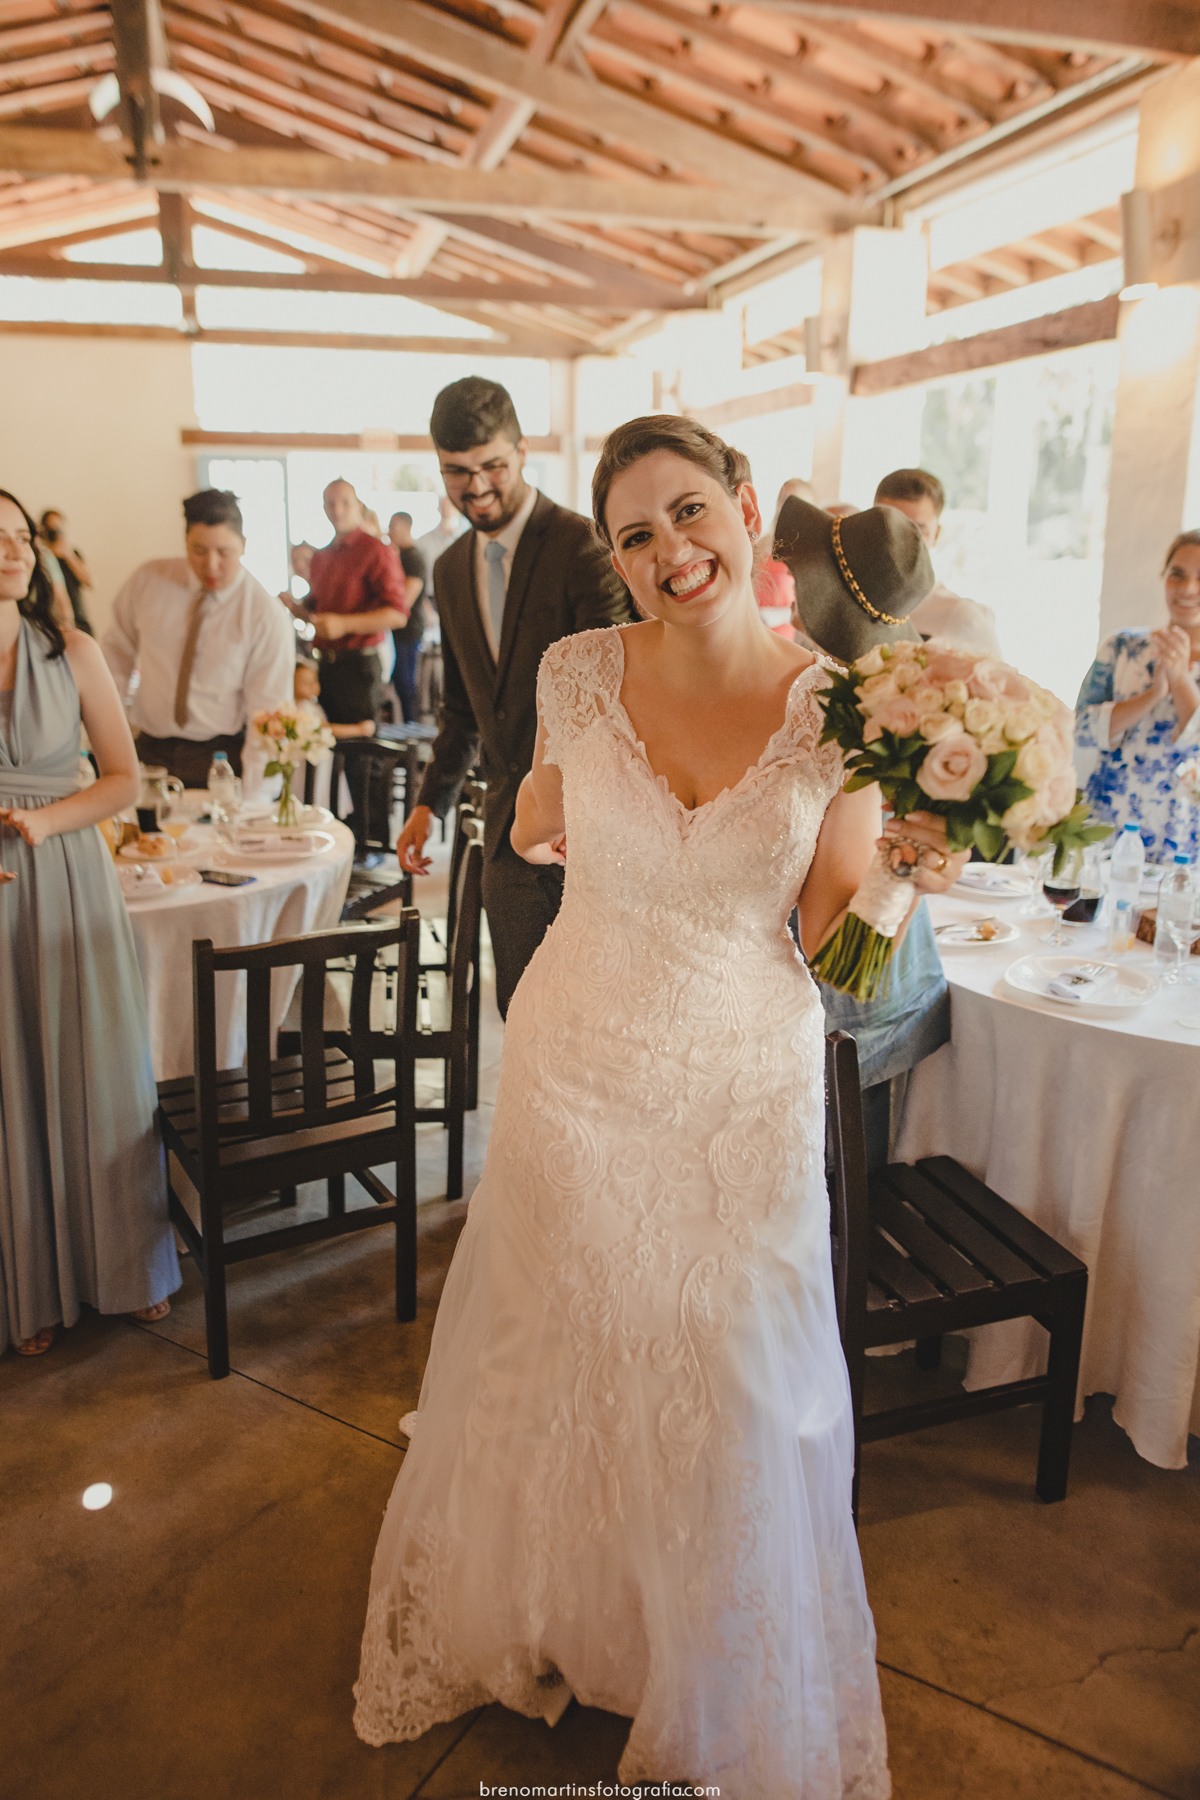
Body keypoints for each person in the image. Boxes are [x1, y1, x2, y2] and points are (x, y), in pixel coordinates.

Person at [354, 415, 969, 1791]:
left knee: (731, 1379)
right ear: (615, 558)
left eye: (690, 513)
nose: (670, 551)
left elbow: (831, 943)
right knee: (564, 1349)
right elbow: (531, 820)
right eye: (636, 534)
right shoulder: (578, 673)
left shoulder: (845, 712)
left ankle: (704, 1661)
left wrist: (910, 865)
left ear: (746, 511)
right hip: (575, 1065)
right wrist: (536, 821)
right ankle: (557, 1612)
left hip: (738, 1089)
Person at [0, 489, 179, 1357]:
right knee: (12, 1082)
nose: (12, 550)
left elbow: (122, 780)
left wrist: (40, 823)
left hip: (67, 869)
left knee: (96, 1064)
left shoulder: (69, 650)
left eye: (21, 536)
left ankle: (123, 1269)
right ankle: (27, 1290)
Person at [394, 376, 632, 1016]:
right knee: (526, 1018)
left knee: (602, 1023)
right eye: (455, 471)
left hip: (599, 837)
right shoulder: (447, 569)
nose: (475, 486)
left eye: (491, 465)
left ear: (523, 452)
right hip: (505, 833)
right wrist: (429, 804)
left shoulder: (584, 546)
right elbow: (465, 709)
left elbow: (618, 693)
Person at [774, 493, 951, 1168]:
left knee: (839, 1193)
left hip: (846, 999)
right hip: (884, 986)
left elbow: (844, 951)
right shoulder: (903, 694)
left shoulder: (838, 715)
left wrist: (914, 868)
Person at [103, 489, 295, 788]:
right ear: (185, 543)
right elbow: (115, 652)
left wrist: (256, 798)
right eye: (199, 550)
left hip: (219, 758)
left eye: (224, 552)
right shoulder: (149, 580)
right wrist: (111, 727)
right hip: (149, 751)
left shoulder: (264, 613)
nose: (211, 565)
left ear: (244, 545)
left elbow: (268, 709)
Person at [281, 480, 408, 861]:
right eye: (329, 503)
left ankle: (373, 843)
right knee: (327, 752)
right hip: (327, 668)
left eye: (343, 502)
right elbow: (319, 610)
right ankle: (339, 838)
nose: (336, 509)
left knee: (362, 758)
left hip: (360, 667)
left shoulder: (376, 550)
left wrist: (344, 624)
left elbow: (397, 614)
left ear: (355, 505)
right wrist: (296, 608)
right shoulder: (321, 557)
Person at [1076, 528, 1200, 859]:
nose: (1188, 588)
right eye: (1178, 575)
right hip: (1106, 825)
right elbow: (1081, 730)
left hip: (1184, 837)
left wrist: (1181, 681)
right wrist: (1153, 694)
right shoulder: (1122, 647)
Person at [874, 468, 1002, 658]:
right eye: (888, 525)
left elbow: (999, 685)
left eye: (917, 529)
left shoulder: (963, 617)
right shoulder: (838, 600)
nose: (899, 540)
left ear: (936, 534)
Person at [387, 511, 427, 723]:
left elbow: (405, 600)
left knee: (405, 680)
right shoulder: (395, 555)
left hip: (408, 629)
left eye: (394, 527)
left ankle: (412, 724)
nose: (390, 531)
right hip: (393, 630)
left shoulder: (413, 557)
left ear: (406, 527)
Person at [39, 509, 93, 635]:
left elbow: (90, 582)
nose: (56, 534)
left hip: (80, 620)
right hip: (55, 625)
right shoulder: (41, 557)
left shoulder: (72, 554)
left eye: (59, 529)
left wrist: (67, 555)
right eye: (51, 530)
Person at [415, 493, 466, 595]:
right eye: (443, 507)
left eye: (450, 507)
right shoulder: (424, 540)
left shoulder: (464, 540)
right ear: (438, 509)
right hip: (430, 595)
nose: (446, 511)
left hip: (457, 595)